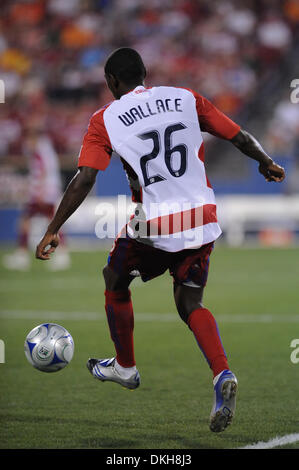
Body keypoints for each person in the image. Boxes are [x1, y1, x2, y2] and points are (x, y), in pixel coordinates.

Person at [35, 48, 285, 433]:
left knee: (114, 280)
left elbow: (85, 178)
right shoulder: (186, 97)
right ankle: (221, 373)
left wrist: (54, 227)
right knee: (190, 302)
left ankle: (126, 366)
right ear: (145, 74)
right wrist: (265, 161)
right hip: (202, 217)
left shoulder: (104, 119)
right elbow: (238, 135)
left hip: (155, 223)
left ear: (111, 82)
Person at [4, 120, 71, 271]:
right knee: (51, 222)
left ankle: (23, 256)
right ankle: (61, 254)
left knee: (31, 221)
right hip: (48, 191)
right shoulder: (45, 148)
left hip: (43, 192)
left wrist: (38, 190)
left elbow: (43, 170)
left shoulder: (40, 149)